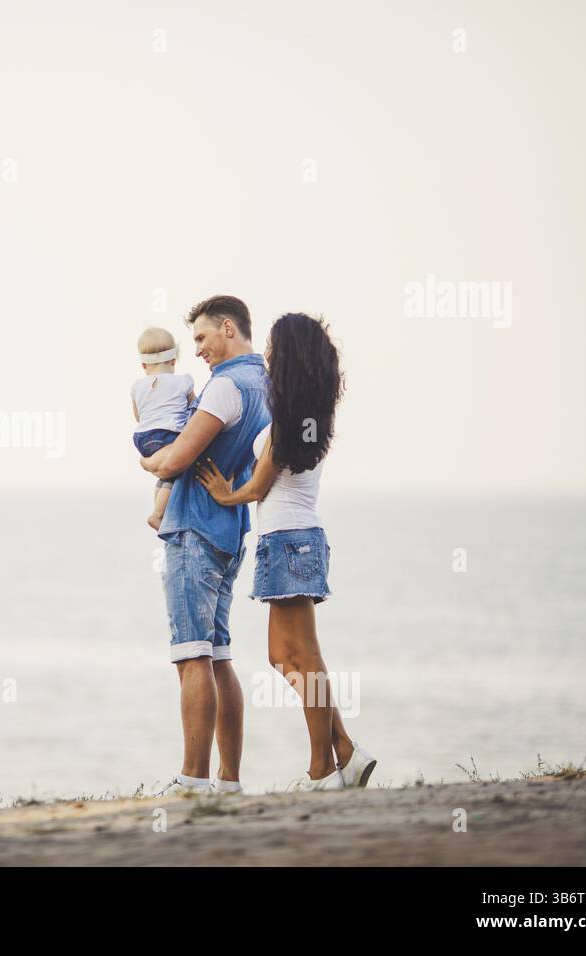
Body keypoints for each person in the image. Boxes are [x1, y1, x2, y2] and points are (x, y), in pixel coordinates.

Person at [195, 312, 376, 791]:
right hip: (299, 540)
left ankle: (323, 769)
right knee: (291, 658)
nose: (269, 357)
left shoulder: (292, 421)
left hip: (286, 540)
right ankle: (345, 753)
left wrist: (222, 493)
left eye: (274, 351)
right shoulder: (310, 415)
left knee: (299, 659)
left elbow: (257, 486)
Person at [139, 295, 270, 796]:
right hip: (231, 525)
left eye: (201, 338)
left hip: (195, 528)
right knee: (217, 655)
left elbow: (176, 458)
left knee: (191, 654)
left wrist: (151, 463)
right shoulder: (265, 385)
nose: (196, 351)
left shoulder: (226, 387)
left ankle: (192, 780)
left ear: (228, 328)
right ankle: (228, 781)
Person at [130, 327, 196, 530]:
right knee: (177, 471)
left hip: (142, 437)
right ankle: (158, 514)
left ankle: (158, 510)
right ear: (173, 361)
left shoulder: (137, 386)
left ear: (143, 364)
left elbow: (138, 415)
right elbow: (194, 410)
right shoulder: (183, 381)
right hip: (167, 433)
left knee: (164, 474)